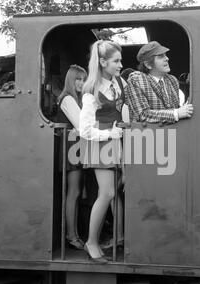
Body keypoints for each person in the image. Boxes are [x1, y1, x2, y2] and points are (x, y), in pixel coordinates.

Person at [79, 40, 126, 263]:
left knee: (114, 193)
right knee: (106, 193)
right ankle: (91, 242)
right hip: (101, 143)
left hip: (117, 141)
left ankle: (116, 237)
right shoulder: (91, 91)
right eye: (116, 61)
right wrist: (110, 135)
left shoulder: (118, 82)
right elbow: (85, 131)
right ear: (103, 62)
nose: (120, 64)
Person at [57, 64, 87, 250]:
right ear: (71, 79)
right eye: (78, 79)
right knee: (73, 192)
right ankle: (71, 236)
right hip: (71, 147)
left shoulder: (76, 100)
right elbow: (81, 123)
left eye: (83, 80)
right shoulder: (67, 98)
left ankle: (74, 234)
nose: (81, 83)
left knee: (77, 193)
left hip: (76, 146)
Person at [126, 41, 193, 123]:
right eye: (161, 56)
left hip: (171, 132)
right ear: (148, 65)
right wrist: (176, 114)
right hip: (145, 134)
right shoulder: (136, 80)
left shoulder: (172, 80)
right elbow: (142, 115)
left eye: (165, 55)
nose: (167, 58)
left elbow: (175, 109)